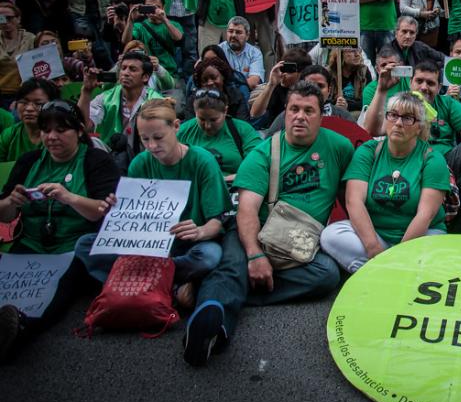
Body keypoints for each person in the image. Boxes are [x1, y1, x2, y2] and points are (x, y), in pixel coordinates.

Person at [183, 81, 350, 365]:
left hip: (299, 241)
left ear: (321, 115)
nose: (300, 116)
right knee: (235, 264)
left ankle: (216, 289)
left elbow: (350, 194)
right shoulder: (263, 153)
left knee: (327, 274)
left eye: (308, 111)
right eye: (294, 109)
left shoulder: (339, 147)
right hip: (254, 231)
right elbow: (246, 210)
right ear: (285, 112)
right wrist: (255, 255)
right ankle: (211, 325)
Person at [75, 98, 228, 307]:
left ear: (176, 127)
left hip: (185, 244)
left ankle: (138, 281)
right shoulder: (140, 163)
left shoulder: (202, 161)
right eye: (144, 139)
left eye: (158, 137)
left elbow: (216, 222)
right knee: (85, 245)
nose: (152, 146)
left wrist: (199, 232)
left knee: (210, 255)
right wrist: (116, 211)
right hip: (148, 246)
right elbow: (133, 221)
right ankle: (169, 285)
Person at [0, 100, 120, 361]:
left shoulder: (96, 160)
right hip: (30, 242)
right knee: (7, 285)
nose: (52, 137)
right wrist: (11, 202)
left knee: (50, 293)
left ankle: (20, 329)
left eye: (61, 130)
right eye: (46, 130)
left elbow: (104, 212)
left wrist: (69, 198)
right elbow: (4, 215)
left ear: (79, 131)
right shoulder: (29, 161)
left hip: (74, 245)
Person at [320, 92, 452, 273]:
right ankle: (393, 272)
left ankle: (376, 272)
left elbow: (425, 215)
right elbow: (354, 201)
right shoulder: (368, 151)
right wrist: (373, 247)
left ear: (419, 127)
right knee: (330, 235)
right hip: (377, 235)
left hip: (421, 236)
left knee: (435, 250)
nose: (398, 123)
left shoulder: (432, 159)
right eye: (393, 115)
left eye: (408, 118)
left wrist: (399, 254)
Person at [78, 50, 163, 145]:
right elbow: (85, 127)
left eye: (132, 69)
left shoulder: (157, 101)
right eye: (123, 68)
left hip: (148, 151)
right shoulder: (106, 98)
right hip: (110, 151)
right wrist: (86, 91)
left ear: (145, 77)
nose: (125, 73)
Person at [178, 89, 261, 180]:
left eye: (213, 120)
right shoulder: (183, 131)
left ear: (225, 111)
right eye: (202, 119)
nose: (208, 126)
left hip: (232, 184)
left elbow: (258, 165)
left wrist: (222, 180)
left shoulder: (243, 129)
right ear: (195, 112)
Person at [263, 65, 356, 135]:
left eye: (320, 86)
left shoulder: (342, 115)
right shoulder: (287, 116)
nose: (315, 90)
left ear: (329, 90)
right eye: (310, 85)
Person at [122, 0, 183, 76]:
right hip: (146, 73)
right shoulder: (139, 26)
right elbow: (126, 41)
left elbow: (179, 38)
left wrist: (164, 19)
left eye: (157, 7)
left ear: (163, 7)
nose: (153, 10)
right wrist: (130, 20)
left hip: (169, 72)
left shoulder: (173, 24)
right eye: (149, 7)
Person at [248, 47, 313, 127]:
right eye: (282, 69)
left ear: (301, 73)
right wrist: (271, 84)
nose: (283, 74)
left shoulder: (309, 90)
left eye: (288, 70)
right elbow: (254, 113)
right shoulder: (276, 86)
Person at [0, 78, 58, 162]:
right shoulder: (9, 135)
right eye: (23, 102)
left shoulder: (59, 136)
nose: (29, 108)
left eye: (38, 103)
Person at [183, 56, 250, 121]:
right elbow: (190, 125)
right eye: (205, 80)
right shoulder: (193, 101)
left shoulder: (236, 97)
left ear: (223, 77)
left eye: (213, 78)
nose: (210, 83)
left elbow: (243, 124)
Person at [0, 2, 36, 109]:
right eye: (1, 18)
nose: (5, 22)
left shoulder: (31, 39)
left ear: (18, 19)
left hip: (24, 93)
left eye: (9, 18)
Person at [220, 16, 265, 91]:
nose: (233, 35)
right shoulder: (219, 50)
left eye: (238, 32)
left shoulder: (255, 53)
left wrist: (234, 90)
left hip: (248, 92)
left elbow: (254, 82)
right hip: (224, 93)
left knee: (262, 90)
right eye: (230, 31)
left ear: (247, 36)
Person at [326, 47, 372, 113]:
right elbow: (323, 100)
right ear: (340, 53)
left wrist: (348, 105)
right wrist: (335, 105)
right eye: (352, 51)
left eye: (358, 50)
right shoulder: (329, 73)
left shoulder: (364, 72)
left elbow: (369, 101)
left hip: (358, 113)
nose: (357, 54)